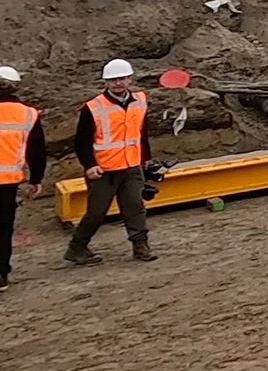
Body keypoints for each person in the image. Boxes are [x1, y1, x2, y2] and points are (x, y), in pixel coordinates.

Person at [65, 59, 154, 265]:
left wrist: (145, 160)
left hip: (131, 166)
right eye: (113, 80)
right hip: (104, 170)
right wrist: (89, 165)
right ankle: (77, 248)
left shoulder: (140, 101)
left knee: (135, 207)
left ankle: (140, 246)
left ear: (129, 79)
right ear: (106, 82)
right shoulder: (93, 107)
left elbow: (142, 133)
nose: (118, 83)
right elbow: (82, 142)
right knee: (96, 212)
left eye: (122, 79)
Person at [0, 66, 47, 290]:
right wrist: (36, 179)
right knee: (3, 229)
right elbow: (36, 151)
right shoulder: (28, 114)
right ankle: (1, 274)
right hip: (8, 181)